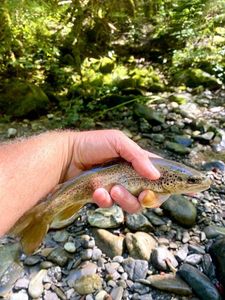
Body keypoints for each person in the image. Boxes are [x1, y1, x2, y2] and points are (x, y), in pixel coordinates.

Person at [0, 129, 160, 236]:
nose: (187, 186)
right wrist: (71, 151)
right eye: (187, 182)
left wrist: (70, 151)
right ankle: (39, 218)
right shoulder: (158, 175)